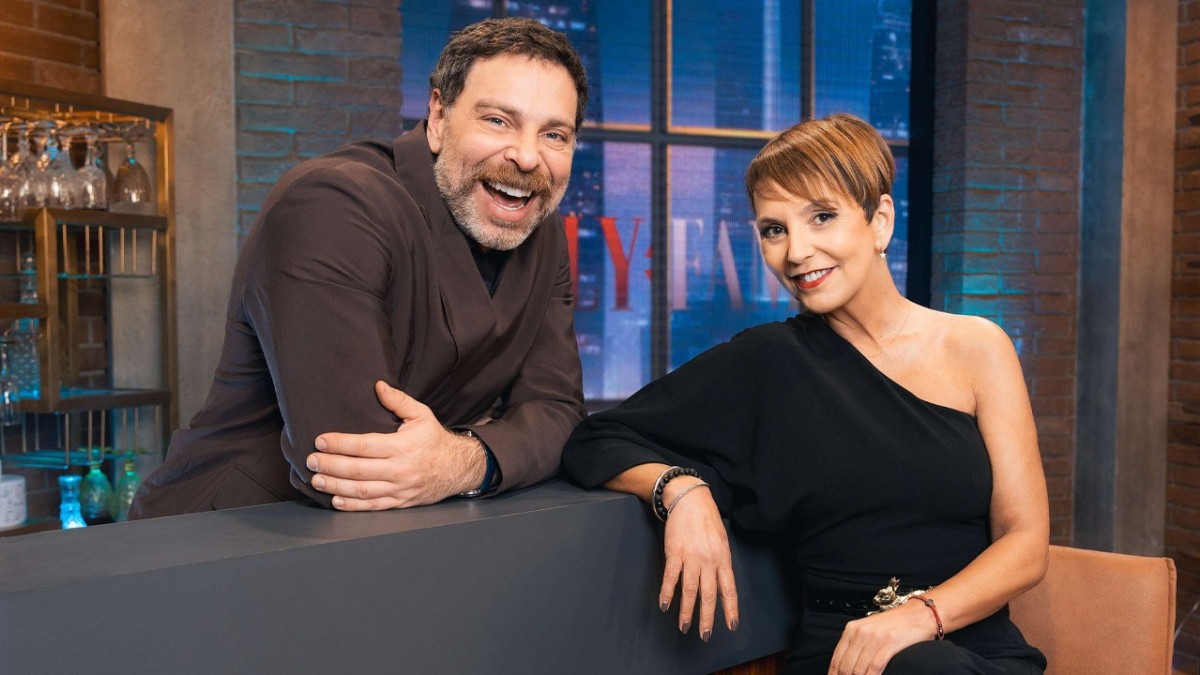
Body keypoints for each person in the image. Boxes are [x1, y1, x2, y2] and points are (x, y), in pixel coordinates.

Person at [562, 114, 1049, 675]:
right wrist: (681, 490)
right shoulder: (765, 362)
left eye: (822, 217)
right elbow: (595, 439)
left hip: (978, 651)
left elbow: (1026, 541)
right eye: (775, 229)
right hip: (844, 658)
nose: (796, 251)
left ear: (880, 221)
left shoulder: (978, 347)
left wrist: (918, 618)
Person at [131, 17, 588, 518]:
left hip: (403, 535)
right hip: (228, 531)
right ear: (439, 116)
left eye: (554, 134)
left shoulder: (540, 231)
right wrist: (497, 438)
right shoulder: (332, 203)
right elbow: (351, 461)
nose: (527, 157)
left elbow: (560, 414)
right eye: (498, 121)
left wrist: (461, 461)